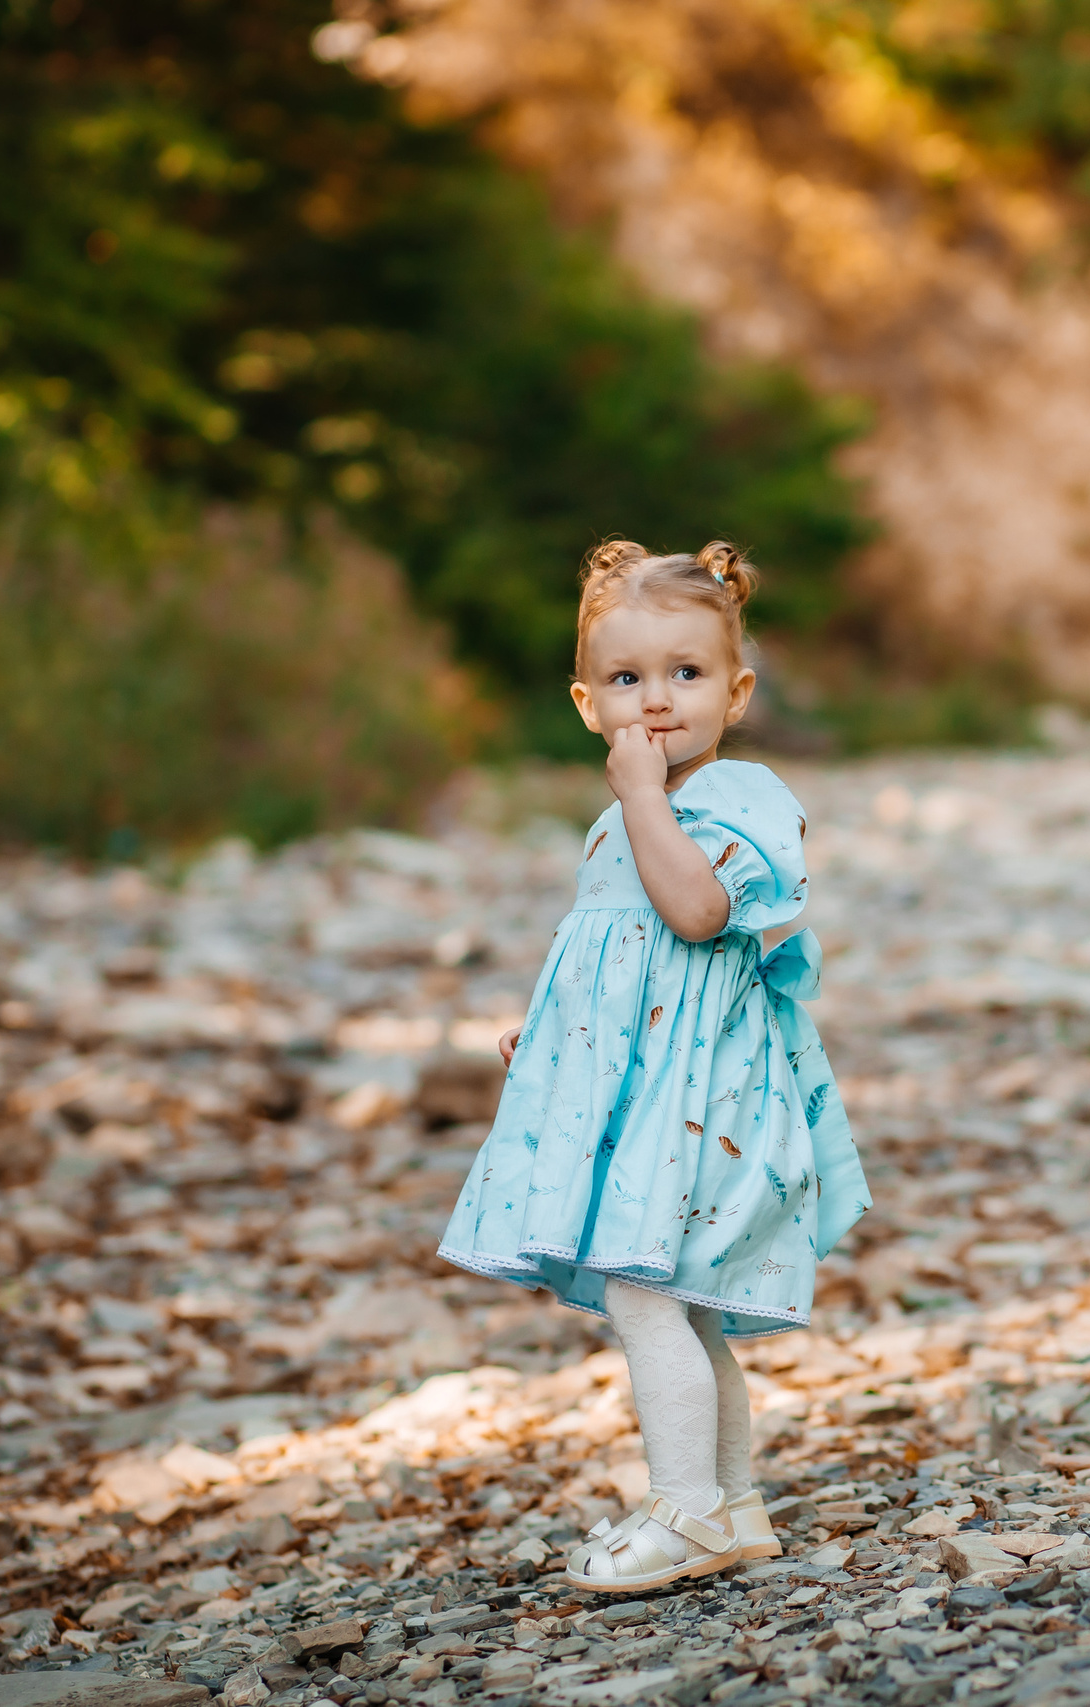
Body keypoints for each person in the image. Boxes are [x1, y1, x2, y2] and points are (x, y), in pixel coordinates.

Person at [438, 539, 869, 1594]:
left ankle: (684, 1510)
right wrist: (555, 1031)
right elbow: (620, 958)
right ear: (588, 704)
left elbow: (697, 912)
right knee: (688, 1304)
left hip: (707, 1109)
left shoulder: (738, 796)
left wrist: (642, 799)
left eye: (686, 672)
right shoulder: (622, 818)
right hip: (653, 1100)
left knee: (641, 1294)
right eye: (628, 679)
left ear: (737, 691)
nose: (658, 701)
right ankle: (733, 1503)